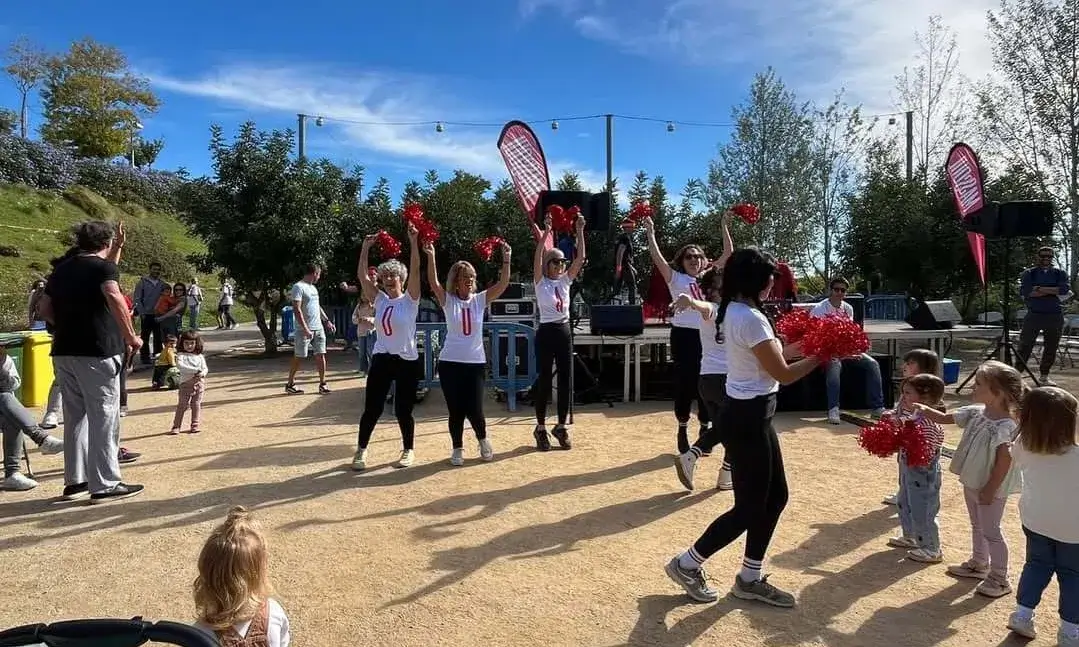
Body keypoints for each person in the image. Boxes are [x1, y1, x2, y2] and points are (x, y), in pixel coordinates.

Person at [664, 247, 820, 608]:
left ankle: (749, 576)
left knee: (775, 497)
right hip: (748, 418)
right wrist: (822, 355)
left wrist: (809, 345)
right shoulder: (750, 317)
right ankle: (687, 563)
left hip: (753, 414)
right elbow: (782, 372)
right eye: (768, 277)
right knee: (750, 508)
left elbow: (773, 356)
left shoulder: (736, 311)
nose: (771, 284)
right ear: (755, 279)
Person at [35, 220, 144, 503]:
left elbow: (43, 307)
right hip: (97, 351)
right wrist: (131, 336)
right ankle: (106, 484)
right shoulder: (103, 270)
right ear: (105, 243)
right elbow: (113, 295)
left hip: (63, 351)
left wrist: (68, 324)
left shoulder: (60, 271)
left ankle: (75, 482)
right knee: (104, 416)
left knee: (74, 419)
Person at [914, 360, 1024, 598]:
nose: (972, 388)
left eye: (979, 384)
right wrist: (924, 410)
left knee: (991, 530)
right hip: (973, 481)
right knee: (978, 524)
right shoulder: (976, 413)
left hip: (990, 487)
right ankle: (979, 563)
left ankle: (1000, 577)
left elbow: (1004, 460)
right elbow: (947, 418)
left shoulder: (1005, 426)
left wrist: (990, 488)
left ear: (997, 394)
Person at [643, 211, 733, 454]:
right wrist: (650, 233)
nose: (694, 260)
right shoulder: (676, 279)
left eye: (698, 256)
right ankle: (682, 426)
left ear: (704, 260)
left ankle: (705, 425)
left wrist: (723, 224)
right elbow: (657, 258)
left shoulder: (708, 277)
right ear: (682, 261)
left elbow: (728, 254)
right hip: (684, 336)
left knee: (706, 382)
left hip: (707, 337)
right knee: (685, 383)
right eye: (689, 257)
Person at [425, 239, 512, 466]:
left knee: (475, 408)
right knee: (455, 410)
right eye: (465, 278)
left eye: (472, 277)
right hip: (450, 362)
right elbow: (433, 282)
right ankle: (457, 448)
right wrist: (431, 254)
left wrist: (506, 258)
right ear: (456, 282)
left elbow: (503, 284)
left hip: (474, 363)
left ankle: (483, 440)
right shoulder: (448, 300)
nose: (470, 281)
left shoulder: (479, 300)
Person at [1005, 386, 1079, 645]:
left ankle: (1023, 615)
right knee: (1072, 574)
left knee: (1036, 565)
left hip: (1035, 520)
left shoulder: (1023, 446)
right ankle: (1070, 631)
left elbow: (1019, 436)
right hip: (1073, 529)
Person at [352, 224, 422, 471]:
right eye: (386, 276)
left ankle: (408, 449)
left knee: (403, 410)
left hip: (406, 360)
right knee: (372, 408)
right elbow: (362, 277)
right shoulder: (379, 299)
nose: (390, 279)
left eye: (394, 276)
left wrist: (414, 243)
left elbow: (415, 269)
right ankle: (361, 450)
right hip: (382, 358)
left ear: (401, 280)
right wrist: (365, 248)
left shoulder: (410, 299)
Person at [671, 267, 733, 492]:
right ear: (711, 290)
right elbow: (706, 308)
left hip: (707, 380)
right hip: (724, 380)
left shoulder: (727, 309)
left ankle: (716, 469)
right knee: (733, 429)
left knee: (723, 429)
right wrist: (691, 301)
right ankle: (715, 467)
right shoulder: (716, 309)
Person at [194, 506, 291, 647]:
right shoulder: (274, 613)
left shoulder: (199, 634)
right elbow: (283, 642)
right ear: (258, 574)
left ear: (207, 576)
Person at [532, 214, 586, 452]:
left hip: (563, 329)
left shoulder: (565, 282)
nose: (560, 266)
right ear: (547, 265)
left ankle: (561, 426)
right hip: (546, 330)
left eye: (562, 262)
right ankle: (541, 427)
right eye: (555, 262)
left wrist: (580, 230)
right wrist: (545, 233)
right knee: (545, 379)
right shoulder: (540, 282)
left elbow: (581, 258)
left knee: (566, 379)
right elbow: (537, 258)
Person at [884, 374, 946, 563]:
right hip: (908, 466)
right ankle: (910, 536)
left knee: (923, 508)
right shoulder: (913, 416)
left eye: (908, 393)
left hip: (922, 471)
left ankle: (931, 548)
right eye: (902, 392)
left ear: (925, 398)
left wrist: (903, 432)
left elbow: (927, 450)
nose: (903, 397)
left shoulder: (928, 422)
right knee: (905, 501)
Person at [810, 276, 884, 424]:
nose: (839, 293)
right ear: (830, 290)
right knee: (835, 365)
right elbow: (817, 335)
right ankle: (833, 408)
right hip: (827, 350)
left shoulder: (848, 308)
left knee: (873, 364)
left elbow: (849, 333)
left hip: (846, 350)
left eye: (843, 290)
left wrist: (850, 351)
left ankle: (878, 408)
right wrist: (838, 352)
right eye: (836, 289)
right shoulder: (819, 308)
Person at [882, 348, 942, 507]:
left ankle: (913, 495)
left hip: (919, 440)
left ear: (925, 368)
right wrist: (892, 413)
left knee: (916, 468)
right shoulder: (907, 388)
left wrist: (899, 420)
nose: (904, 366)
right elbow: (901, 409)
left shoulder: (926, 394)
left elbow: (920, 416)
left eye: (910, 363)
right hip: (905, 436)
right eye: (905, 363)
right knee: (903, 463)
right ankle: (903, 491)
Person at [0, 345, 63, 491]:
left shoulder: (3, 357)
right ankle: (41, 439)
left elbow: (14, 384)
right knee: (4, 398)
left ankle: (13, 474)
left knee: (10, 415)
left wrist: (2, 370)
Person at [1017, 246, 1070, 385]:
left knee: (1051, 346)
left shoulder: (1060, 273)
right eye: (1043, 256)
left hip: (1054, 315)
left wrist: (1039, 288)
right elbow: (1026, 291)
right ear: (1038, 256)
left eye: (1049, 256)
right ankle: (1017, 376)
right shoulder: (1029, 273)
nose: (1046, 258)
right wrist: (1053, 291)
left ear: (1052, 258)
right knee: (1025, 345)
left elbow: (1064, 290)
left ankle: (1044, 376)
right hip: (1034, 314)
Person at [285, 264, 336, 395]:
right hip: (303, 330)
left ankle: (322, 384)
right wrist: (306, 329)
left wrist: (326, 321)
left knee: (321, 354)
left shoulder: (313, 288)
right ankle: (290, 383)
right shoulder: (298, 287)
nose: (319, 277)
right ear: (314, 273)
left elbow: (317, 306)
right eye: (319, 274)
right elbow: (297, 309)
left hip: (318, 327)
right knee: (299, 356)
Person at [169, 330, 208, 435]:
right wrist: (195, 371)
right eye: (186, 343)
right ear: (182, 343)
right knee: (182, 405)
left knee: (196, 404)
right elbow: (181, 367)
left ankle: (195, 425)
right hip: (185, 384)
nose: (189, 346)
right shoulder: (181, 355)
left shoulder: (199, 356)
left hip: (199, 383)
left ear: (196, 343)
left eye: (192, 343)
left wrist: (202, 373)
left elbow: (205, 368)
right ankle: (176, 426)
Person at [133, 261, 166, 365]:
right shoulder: (142, 282)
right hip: (146, 314)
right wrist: (142, 312)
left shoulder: (162, 284)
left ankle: (158, 357)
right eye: (154, 269)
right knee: (145, 337)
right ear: (150, 269)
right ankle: (145, 357)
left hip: (158, 314)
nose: (156, 271)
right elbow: (137, 298)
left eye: (158, 270)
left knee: (158, 337)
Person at [612, 219, 638, 304]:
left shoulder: (621, 237)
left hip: (625, 265)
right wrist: (619, 267)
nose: (633, 229)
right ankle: (632, 307)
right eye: (632, 227)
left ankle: (607, 304)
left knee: (617, 289)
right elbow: (620, 252)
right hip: (625, 266)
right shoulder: (625, 238)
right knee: (632, 286)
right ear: (627, 227)